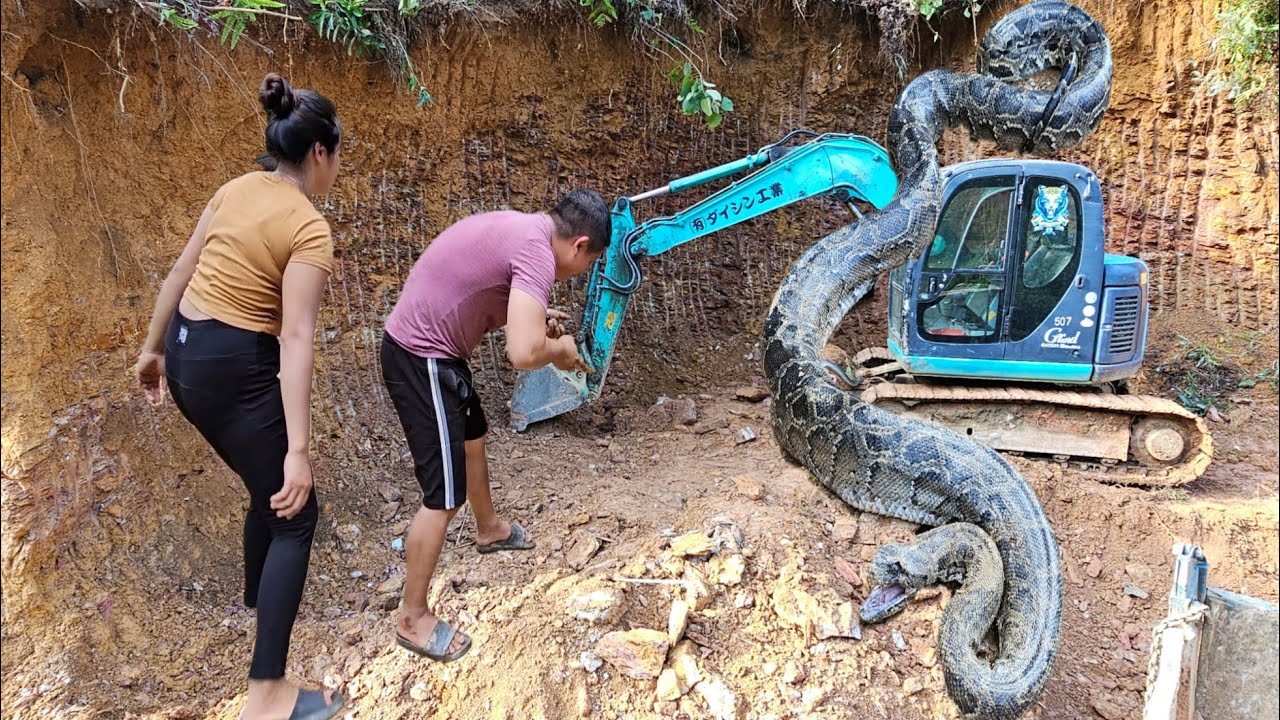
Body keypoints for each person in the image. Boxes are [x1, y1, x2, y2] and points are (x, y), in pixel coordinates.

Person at [135, 73, 345, 720]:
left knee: (266, 487)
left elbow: (180, 269)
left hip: (187, 353)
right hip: (231, 366)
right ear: (319, 154)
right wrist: (302, 451)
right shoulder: (309, 228)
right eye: (339, 153)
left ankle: (260, 601)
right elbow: (297, 337)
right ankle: (267, 695)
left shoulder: (234, 189)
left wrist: (151, 349)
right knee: (296, 511)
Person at [381, 191, 609, 662]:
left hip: (438, 352)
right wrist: (562, 352)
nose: (580, 271)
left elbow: (490, 289)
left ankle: (490, 529)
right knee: (443, 496)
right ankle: (412, 617)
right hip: (421, 357)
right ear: (580, 245)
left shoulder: (529, 230)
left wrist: (537, 317)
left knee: (473, 439)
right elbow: (524, 353)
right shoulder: (538, 254)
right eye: (588, 263)